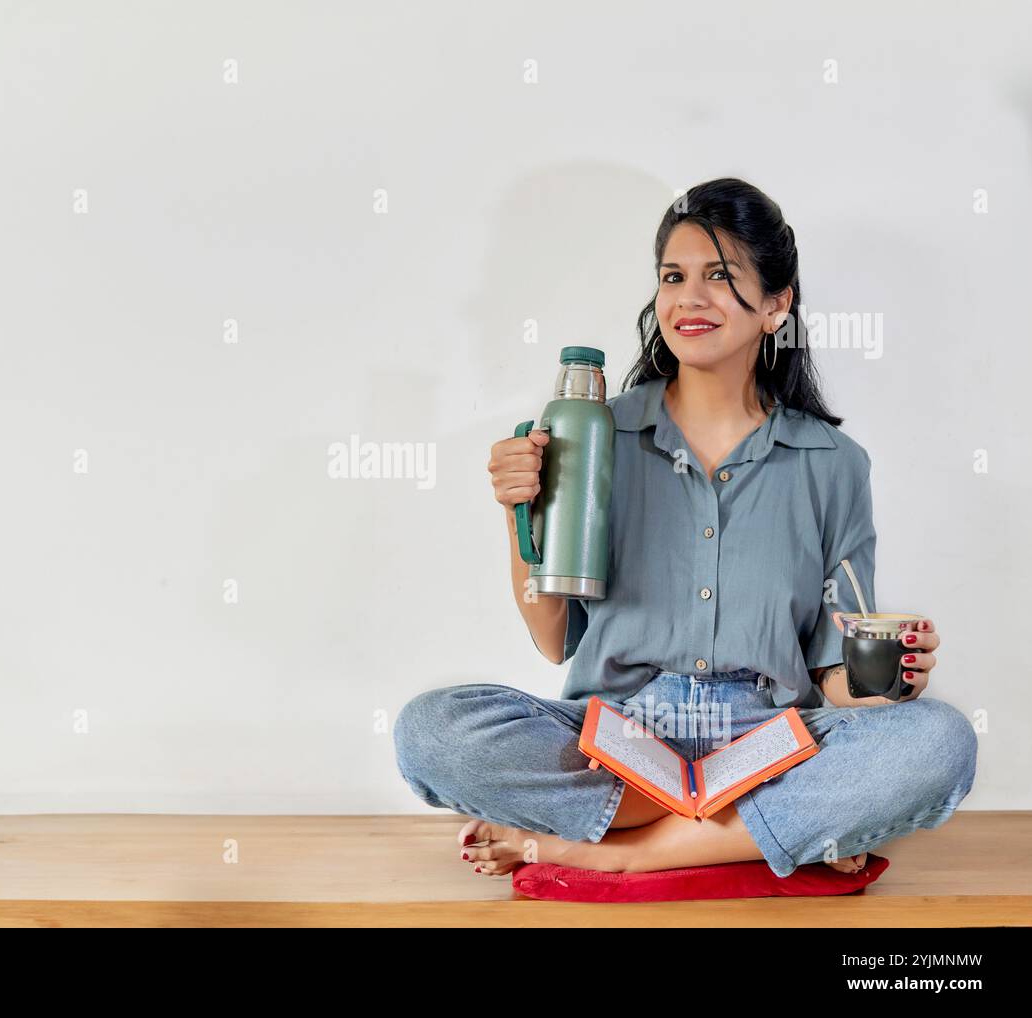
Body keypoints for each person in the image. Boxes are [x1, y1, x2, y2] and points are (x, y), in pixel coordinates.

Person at [393, 178, 977, 879]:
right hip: (619, 738)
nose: (689, 299)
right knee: (431, 729)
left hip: (769, 737)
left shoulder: (834, 464)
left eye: (721, 277)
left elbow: (834, 675)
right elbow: (553, 640)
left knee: (940, 741)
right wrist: (518, 514)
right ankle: (760, 829)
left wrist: (896, 677)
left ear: (776, 305)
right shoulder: (591, 435)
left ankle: (618, 851)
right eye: (675, 276)